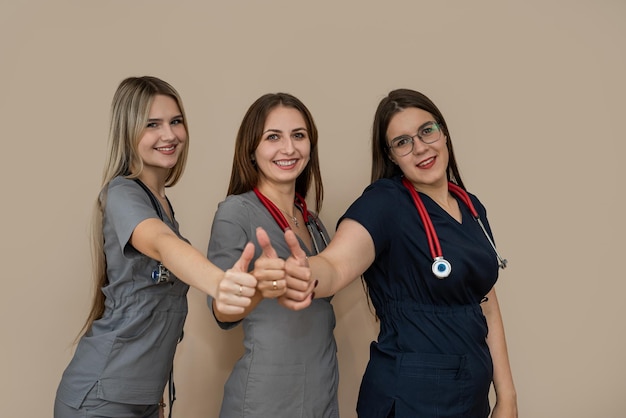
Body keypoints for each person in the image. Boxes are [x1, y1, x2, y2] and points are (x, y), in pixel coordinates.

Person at [270, 88, 518, 417]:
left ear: (443, 132)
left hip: (470, 397)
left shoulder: (472, 208)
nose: (420, 148)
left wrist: (507, 396)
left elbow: (486, 302)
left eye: (427, 131)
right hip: (409, 398)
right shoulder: (386, 204)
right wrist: (305, 273)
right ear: (391, 155)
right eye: (402, 142)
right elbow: (336, 264)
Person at [54, 76, 257, 418]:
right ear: (128, 132)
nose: (169, 135)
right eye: (152, 124)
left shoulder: (161, 205)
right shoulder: (122, 194)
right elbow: (163, 246)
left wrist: (156, 401)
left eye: (176, 121)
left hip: (142, 399)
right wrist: (220, 284)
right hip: (100, 399)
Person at [206, 93, 339, 417]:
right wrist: (256, 284)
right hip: (266, 400)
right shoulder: (235, 212)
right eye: (273, 137)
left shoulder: (312, 220)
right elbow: (221, 310)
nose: (289, 148)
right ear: (251, 149)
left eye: (299, 135)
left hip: (322, 393)